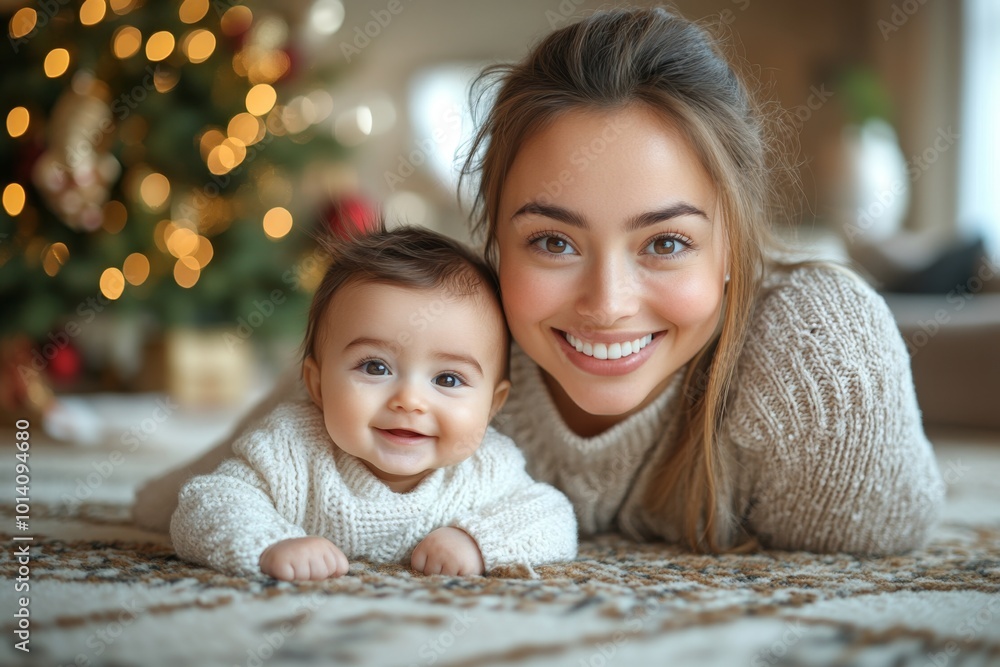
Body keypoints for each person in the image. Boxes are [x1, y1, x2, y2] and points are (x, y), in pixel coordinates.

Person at [140, 7, 943, 556]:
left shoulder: (811, 357)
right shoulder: (446, 335)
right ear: (493, 242)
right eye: (553, 240)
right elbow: (175, 500)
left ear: (731, 245)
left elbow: (892, 539)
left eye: (664, 241)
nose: (607, 302)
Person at [169, 225, 578, 580]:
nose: (409, 401)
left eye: (448, 379)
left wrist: (476, 541)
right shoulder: (291, 449)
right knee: (160, 501)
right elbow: (204, 503)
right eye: (376, 368)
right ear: (317, 384)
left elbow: (553, 517)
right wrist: (269, 544)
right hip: (216, 472)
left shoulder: (486, 469)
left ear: (492, 405)